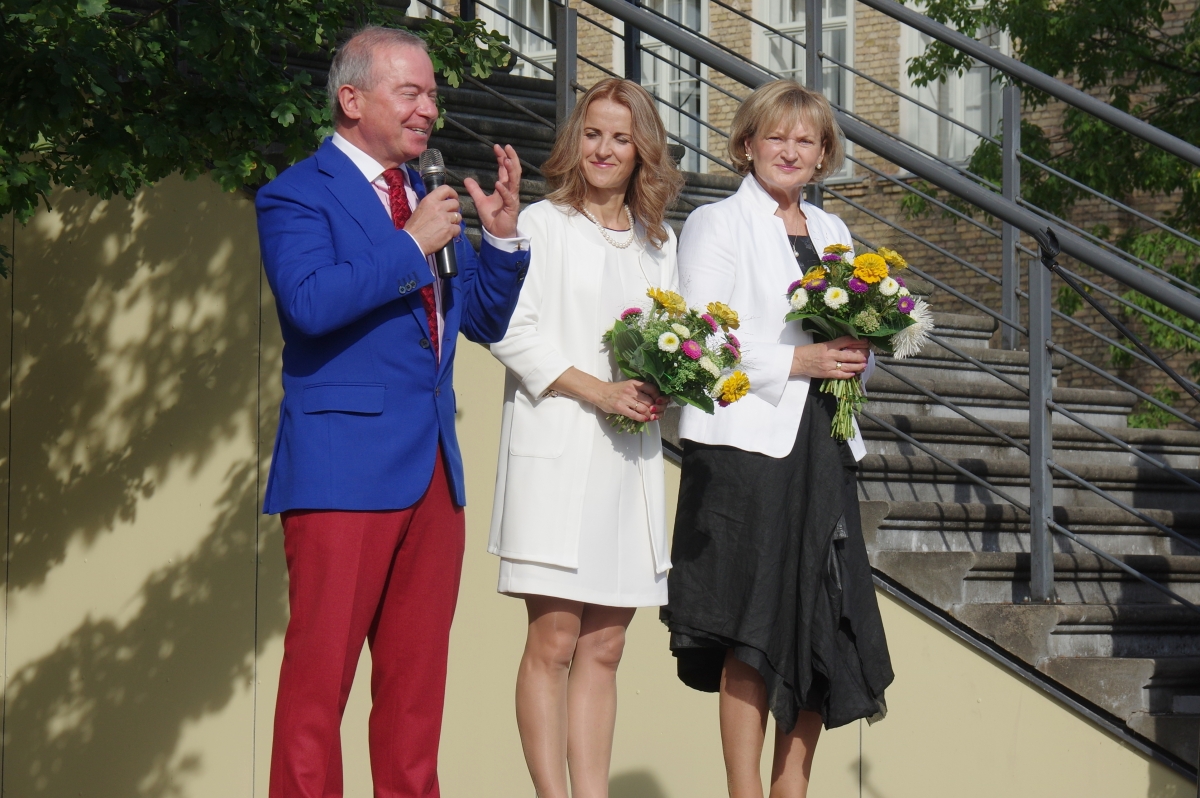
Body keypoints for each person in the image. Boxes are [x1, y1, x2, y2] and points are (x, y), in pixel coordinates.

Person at [254, 26, 530, 798]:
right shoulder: (296, 193)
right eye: (410, 92)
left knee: (415, 698)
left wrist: (502, 242)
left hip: (433, 475)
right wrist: (411, 246)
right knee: (317, 691)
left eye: (433, 94)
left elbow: (479, 319)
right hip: (342, 471)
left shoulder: (425, 195)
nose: (429, 109)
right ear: (352, 99)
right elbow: (310, 304)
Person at [661, 80, 894, 798]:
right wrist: (800, 361)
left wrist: (859, 354)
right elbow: (702, 339)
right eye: (776, 136)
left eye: (806, 140)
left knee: (821, 615)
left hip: (824, 440)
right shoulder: (716, 223)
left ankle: (792, 789)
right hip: (742, 450)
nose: (791, 151)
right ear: (747, 144)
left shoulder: (833, 231)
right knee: (751, 623)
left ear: (824, 154)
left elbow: (854, 342)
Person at [486, 78, 684, 798]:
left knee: (606, 646)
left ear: (643, 152)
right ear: (576, 141)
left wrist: (670, 384)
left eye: (621, 138)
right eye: (593, 134)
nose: (604, 149)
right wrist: (599, 391)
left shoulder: (661, 243)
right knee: (555, 642)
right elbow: (510, 332)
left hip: (627, 463)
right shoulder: (541, 223)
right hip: (559, 452)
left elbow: (676, 338)